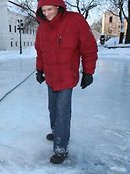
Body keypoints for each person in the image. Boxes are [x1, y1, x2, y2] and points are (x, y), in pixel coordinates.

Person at [34, 0, 98, 164]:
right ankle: (57, 132)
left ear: (58, 7)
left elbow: (89, 47)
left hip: (67, 76)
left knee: (62, 110)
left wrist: (88, 72)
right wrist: (39, 70)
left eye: (49, 9)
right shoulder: (42, 27)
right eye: (43, 10)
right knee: (53, 108)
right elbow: (40, 52)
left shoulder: (75, 20)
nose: (46, 13)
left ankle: (61, 147)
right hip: (51, 76)